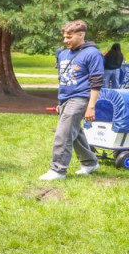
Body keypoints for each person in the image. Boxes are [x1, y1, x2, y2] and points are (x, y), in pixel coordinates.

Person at [39, 20, 103, 181]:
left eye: (69, 37)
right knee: (75, 133)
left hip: (81, 98)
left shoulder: (92, 53)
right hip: (65, 99)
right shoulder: (63, 54)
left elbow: (96, 81)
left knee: (64, 134)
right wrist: (60, 101)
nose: (66, 40)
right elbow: (63, 80)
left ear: (81, 35)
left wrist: (91, 106)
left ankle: (58, 170)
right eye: (64, 37)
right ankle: (90, 162)